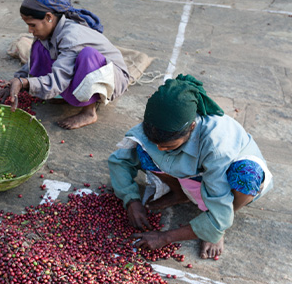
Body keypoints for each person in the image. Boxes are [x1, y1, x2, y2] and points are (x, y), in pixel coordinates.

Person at [107, 75, 273, 259]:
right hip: (195, 172)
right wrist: (131, 200)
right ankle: (180, 194)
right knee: (144, 150)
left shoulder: (217, 146)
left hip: (229, 174)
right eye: (159, 144)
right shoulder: (158, 125)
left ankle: (223, 220)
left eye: (169, 146)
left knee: (245, 177)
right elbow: (120, 161)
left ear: (192, 127)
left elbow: (220, 184)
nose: (162, 149)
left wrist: (165, 237)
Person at [0, 0, 131, 130]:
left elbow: (59, 79)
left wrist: (25, 83)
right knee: (40, 46)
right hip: (79, 67)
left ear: (48, 17)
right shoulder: (50, 30)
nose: (30, 30)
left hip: (112, 76)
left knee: (87, 55)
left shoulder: (71, 36)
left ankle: (89, 111)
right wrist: (17, 81)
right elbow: (33, 61)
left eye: (32, 25)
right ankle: (67, 96)